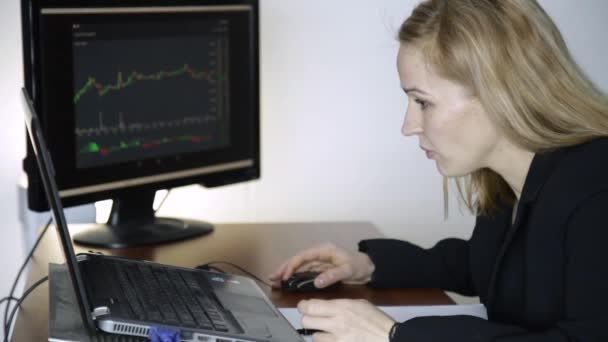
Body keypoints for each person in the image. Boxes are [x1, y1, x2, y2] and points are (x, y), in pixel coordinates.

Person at [269, 0, 608, 341]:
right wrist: (371, 266)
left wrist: (394, 335)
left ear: (500, 93)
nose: (408, 126)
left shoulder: (596, 192)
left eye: (423, 102)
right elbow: (492, 267)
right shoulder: (509, 186)